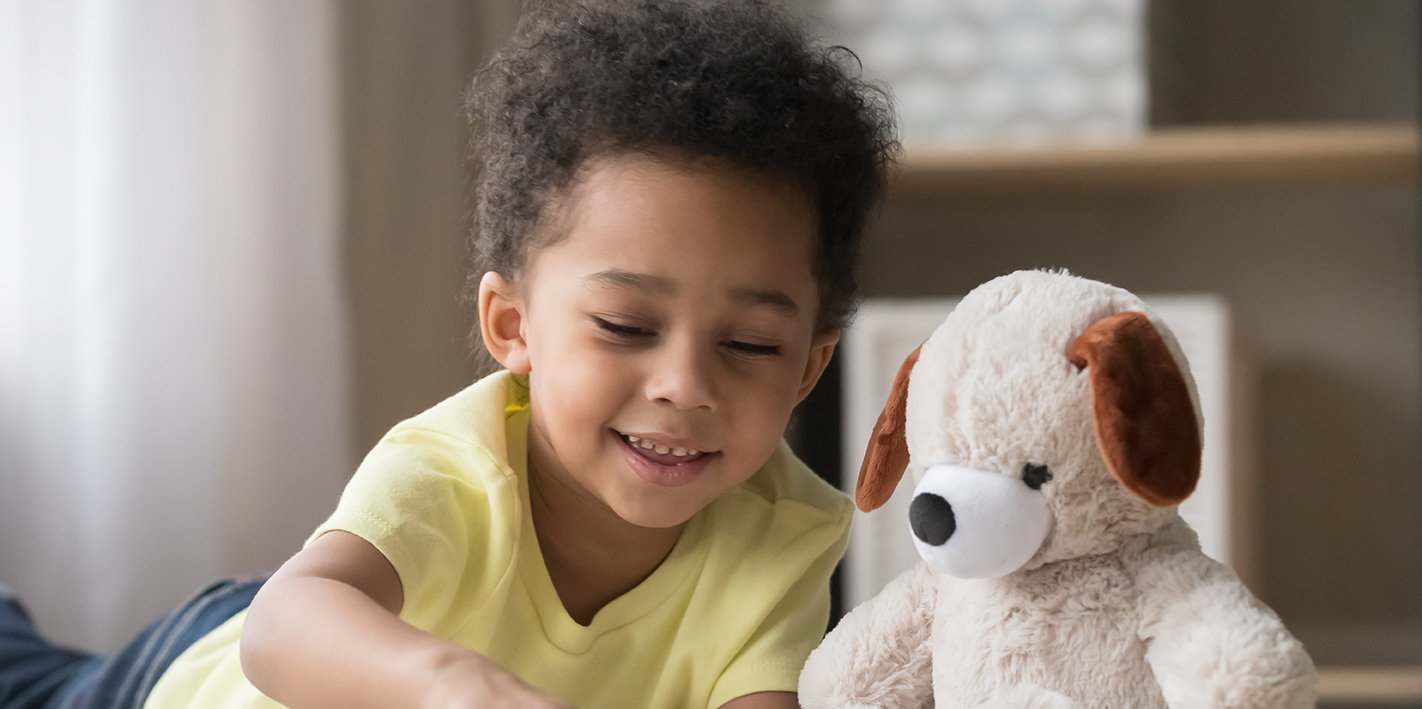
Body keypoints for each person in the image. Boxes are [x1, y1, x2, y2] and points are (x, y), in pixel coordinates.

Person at [0, 1, 897, 707]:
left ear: (810, 366)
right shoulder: (457, 471)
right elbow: (279, 630)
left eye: (749, 343)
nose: (684, 384)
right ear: (512, 326)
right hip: (192, 675)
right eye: (626, 326)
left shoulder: (787, 528)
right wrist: (461, 687)